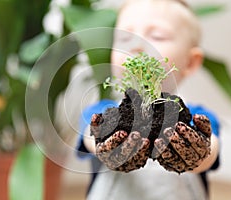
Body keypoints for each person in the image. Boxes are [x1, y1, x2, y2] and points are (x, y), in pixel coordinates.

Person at [77, 0, 220, 199]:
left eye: (157, 36)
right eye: (125, 38)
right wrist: (106, 142)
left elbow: (210, 151)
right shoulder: (103, 111)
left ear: (190, 61)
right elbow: (89, 136)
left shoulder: (196, 117)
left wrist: (198, 152)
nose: (137, 46)